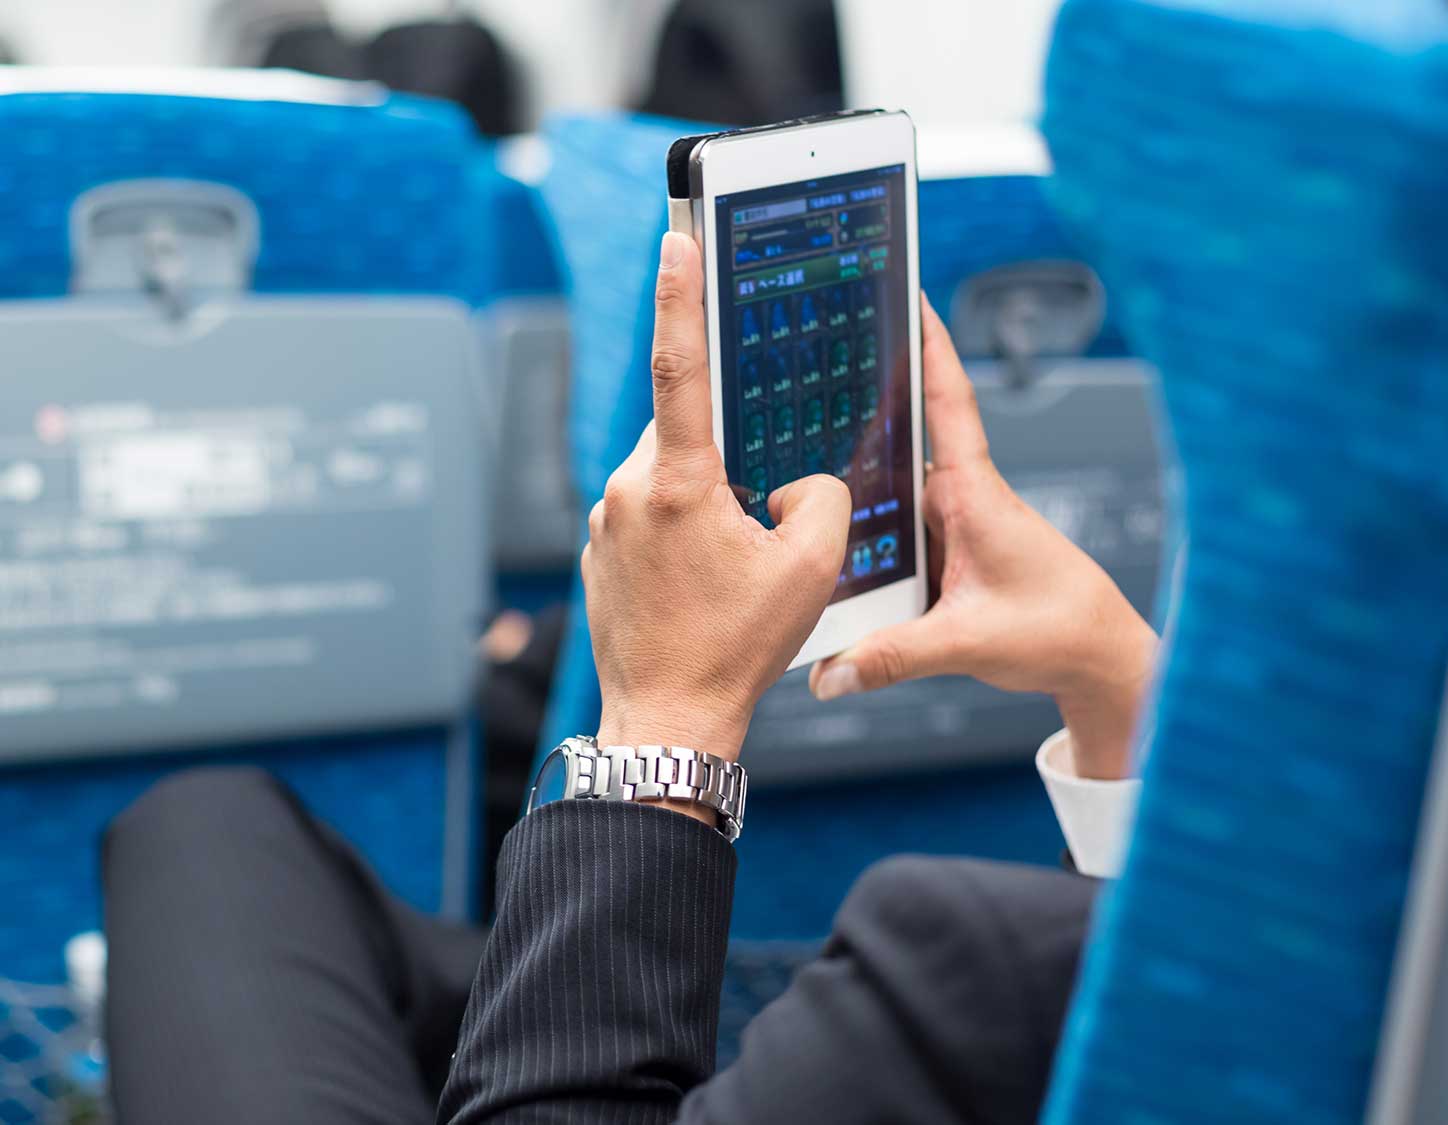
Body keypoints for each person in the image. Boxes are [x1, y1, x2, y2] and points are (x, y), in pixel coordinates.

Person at [102, 231, 1156, 1124]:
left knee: (197, 834)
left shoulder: (961, 964)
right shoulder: (1295, 981)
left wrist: (668, 726)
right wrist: (1119, 694)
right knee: (212, 826)